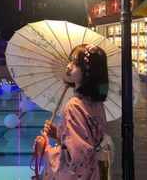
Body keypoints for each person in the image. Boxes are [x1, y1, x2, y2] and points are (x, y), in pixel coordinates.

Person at [34, 44, 112, 180]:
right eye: (71, 60)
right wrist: (59, 133)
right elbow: (87, 140)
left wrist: (45, 149)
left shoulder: (73, 107)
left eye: (76, 64)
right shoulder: (97, 104)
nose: (69, 66)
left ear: (89, 73)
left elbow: (76, 163)